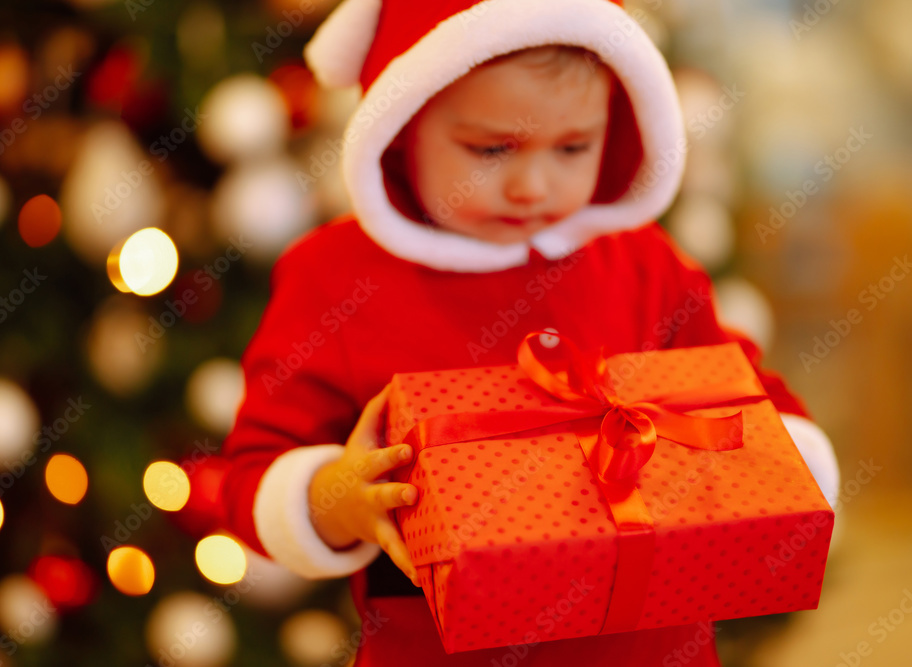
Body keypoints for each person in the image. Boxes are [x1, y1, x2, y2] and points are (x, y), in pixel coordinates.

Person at [221, 1, 841, 664]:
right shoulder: (337, 279)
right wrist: (326, 500)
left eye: (574, 146)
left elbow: (741, 392)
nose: (533, 185)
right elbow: (253, 471)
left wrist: (785, 460)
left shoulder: (642, 261)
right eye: (491, 149)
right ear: (403, 126)